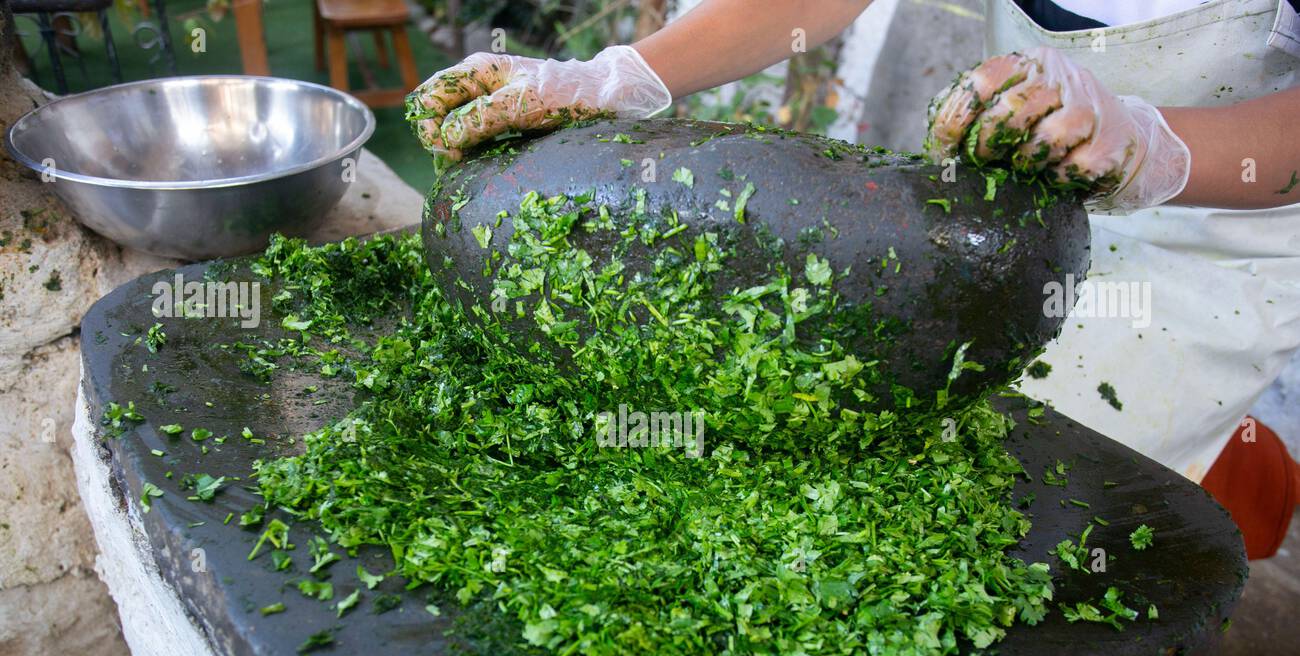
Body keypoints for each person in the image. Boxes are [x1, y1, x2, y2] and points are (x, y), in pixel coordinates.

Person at [406, 0, 1300, 559]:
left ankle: (1237, 520)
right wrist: (625, 74)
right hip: (1008, 208)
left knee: (1050, 495)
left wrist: (1153, 147)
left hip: (1209, 240)